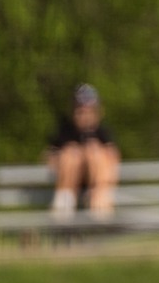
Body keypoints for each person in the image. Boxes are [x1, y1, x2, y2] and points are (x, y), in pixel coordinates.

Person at [47, 84, 120, 221]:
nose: (84, 116)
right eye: (80, 111)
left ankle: (100, 200)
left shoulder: (101, 132)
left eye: (89, 111)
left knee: (95, 152)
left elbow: (112, 158)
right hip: (69, 182)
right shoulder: (65, 132)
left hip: (96, 185)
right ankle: (65, 203)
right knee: (71, 154)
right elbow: (51, 157)